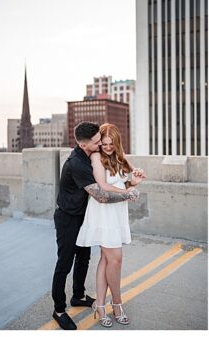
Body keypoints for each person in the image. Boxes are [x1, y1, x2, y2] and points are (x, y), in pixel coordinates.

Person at [51, 122, 138, 330]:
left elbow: (114, 181)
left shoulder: (92, 153)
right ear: (84, 145)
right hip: (68, 218)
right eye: (97, 142)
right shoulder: (77, 164)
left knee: (84, 258)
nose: (100, 144)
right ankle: (59, 310)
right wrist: (129, 194)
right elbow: (101, 196)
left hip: (84, 215)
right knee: (64, 263)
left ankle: (78, 295)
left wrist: (130, 184)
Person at [76, 123, 146, 327]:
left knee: (106, 261)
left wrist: (133, 182)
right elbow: (104, 186)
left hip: (116, 212)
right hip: (103, 213)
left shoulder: (119, 157)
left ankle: (100, 306)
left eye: (110, 143)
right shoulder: (96, 157)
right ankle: (117, 304)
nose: (106, 147)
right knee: (116, 261)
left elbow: (125, 182)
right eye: (103, 143)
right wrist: (128, 193)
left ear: (116, 142)